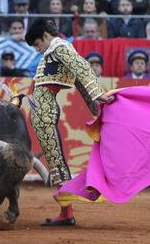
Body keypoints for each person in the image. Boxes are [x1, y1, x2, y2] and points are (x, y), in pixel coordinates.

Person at [25, 18, 115, 226]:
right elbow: (77, 77)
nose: (38, 50)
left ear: (46, 36)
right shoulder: (55, 51)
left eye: (38, 44)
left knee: (57, 163)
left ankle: (66, 214)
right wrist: (94, 104)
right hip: (43, 113)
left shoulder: (59, 47)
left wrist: (96, 94)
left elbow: (81, 67)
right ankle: (66, 211)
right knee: (56, 162)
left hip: (45, 114)